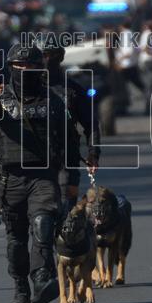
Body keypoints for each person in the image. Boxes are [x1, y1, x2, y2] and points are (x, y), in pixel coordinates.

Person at [0, 45, 65, 303]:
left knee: (43, 224)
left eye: (30, 66)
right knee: (16, 239)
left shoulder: (52, 98)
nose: (25, 71)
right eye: (19, 67)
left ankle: (42, 277)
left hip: (43, 174)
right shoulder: (1, 97)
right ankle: (20, 288)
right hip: (10, 177)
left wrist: (71, 176)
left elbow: (66, 138)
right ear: (11, 68)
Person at [40, 40, 100, 215]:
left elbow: (91, 124)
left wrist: (93, 154)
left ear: (58, 57)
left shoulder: (73, 90)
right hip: (34, 158)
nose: (41, 60)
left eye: (46, 55)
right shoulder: (25, 89)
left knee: (67, 209)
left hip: (66, 156)